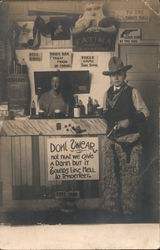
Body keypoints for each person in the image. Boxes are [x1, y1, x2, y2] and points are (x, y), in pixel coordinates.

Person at [101, 56, 149, 217]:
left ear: (124, 75)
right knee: (111, 178)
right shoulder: (106, 94)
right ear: (109, 77)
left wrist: (130, 120)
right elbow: (106, 114)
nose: (116, 78)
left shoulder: (133, 92)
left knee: (130, 180)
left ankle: (129, 213)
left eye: (119, 74)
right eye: (113, 75)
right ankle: (113, 211)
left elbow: (145, 113)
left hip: (131, 142)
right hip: (112, 142)